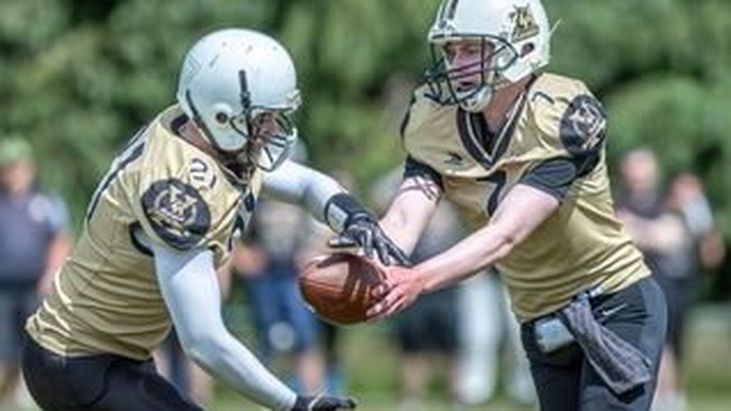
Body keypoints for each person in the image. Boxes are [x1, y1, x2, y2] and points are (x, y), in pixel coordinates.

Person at [22, 28, 406, 411]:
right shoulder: (176, 193)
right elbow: (204, 341)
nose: (272, 129)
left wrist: (354, 216)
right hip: (76, 358)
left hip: (112, 355)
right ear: (222, 114)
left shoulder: (205, 134)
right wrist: (294, 403)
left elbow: (305, 185)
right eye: (265, 118)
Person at [340, 1, 668, 410]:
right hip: (539, 318)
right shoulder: (433, 119)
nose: (457, 64)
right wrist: (364, 260)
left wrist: (417, 279)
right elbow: (406, 216)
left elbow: (505, 234)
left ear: (523, 46)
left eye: (473, 50)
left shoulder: (561, 114)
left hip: (612, 304)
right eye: (451, 51)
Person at [0, 137, 71, 409]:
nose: (14, 174)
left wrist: (52, 273)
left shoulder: (47, 201)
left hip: (35, 288)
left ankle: (35, 399)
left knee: (38, 350)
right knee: (5, 353)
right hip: (3, 289)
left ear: (29, 168)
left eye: (18, 167)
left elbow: (60, 239)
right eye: (8, 168)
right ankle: (7, 399)